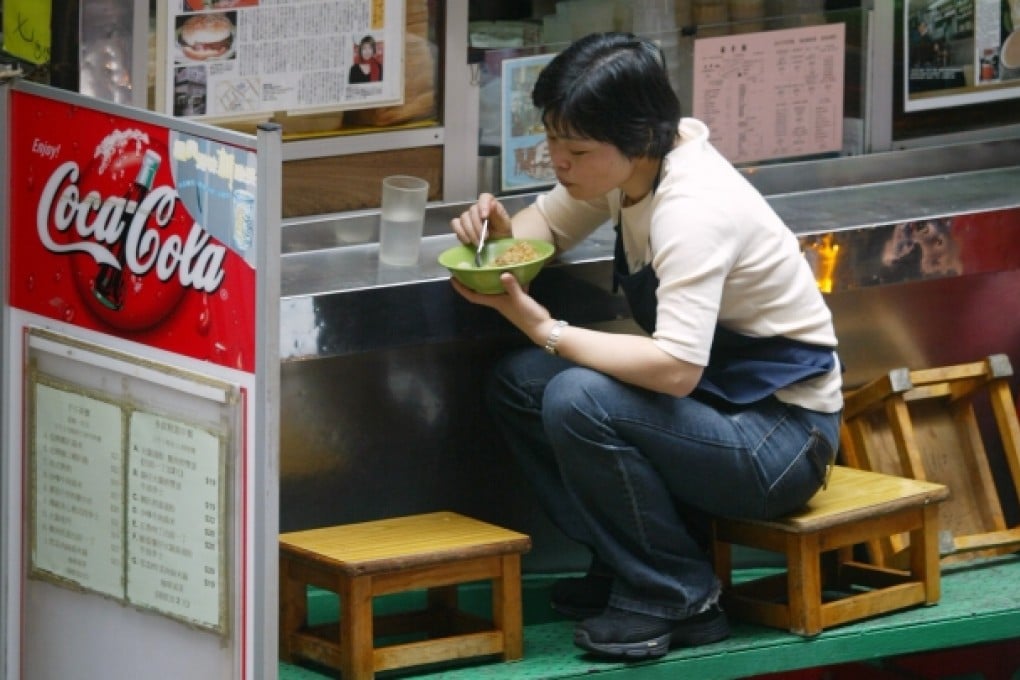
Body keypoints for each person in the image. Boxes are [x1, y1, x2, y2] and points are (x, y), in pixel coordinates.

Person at [450, 32, 843, 660]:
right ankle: (624, 564)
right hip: (719, 414)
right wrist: (496, 243)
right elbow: (546, 225)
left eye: (574, 148)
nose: (558, 161)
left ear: (635, 141)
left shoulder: (692, 207)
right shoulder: (632, 167)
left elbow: (676, 368)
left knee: (577, 396)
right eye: (552, 140)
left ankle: (676, 594)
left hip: (783, 439)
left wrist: (542, 326)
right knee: (522, 383)